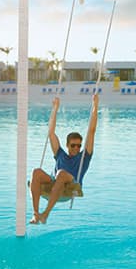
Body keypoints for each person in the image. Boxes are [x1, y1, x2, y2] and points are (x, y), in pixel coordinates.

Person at [29, 93, 99, 224]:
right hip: (54, 184)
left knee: (61, 173)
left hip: (71, 185)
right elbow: (51, 133)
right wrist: (55, 109)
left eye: (79, 146)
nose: (76, 148)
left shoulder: (84, 157)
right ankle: (36, 214)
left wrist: (95, 106)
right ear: (67, 145)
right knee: (36, 172)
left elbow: (92, 131)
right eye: (73, 145)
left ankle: (46, 214)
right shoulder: (60, 154)